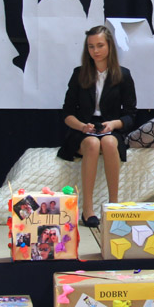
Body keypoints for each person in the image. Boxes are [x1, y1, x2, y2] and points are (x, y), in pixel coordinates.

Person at [58, 25, 137, 228]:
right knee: (93, 144)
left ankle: (113, 206)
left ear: (109, 46)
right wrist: (82, 127)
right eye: (91, 46)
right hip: (83, 129)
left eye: (100, 45)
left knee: (109, 142)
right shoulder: (79, 74)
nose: (95, 50)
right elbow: (67, 114)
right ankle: (88, 209)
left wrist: (113, 124)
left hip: (110, 128)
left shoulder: (123, 75)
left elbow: (131, 115)